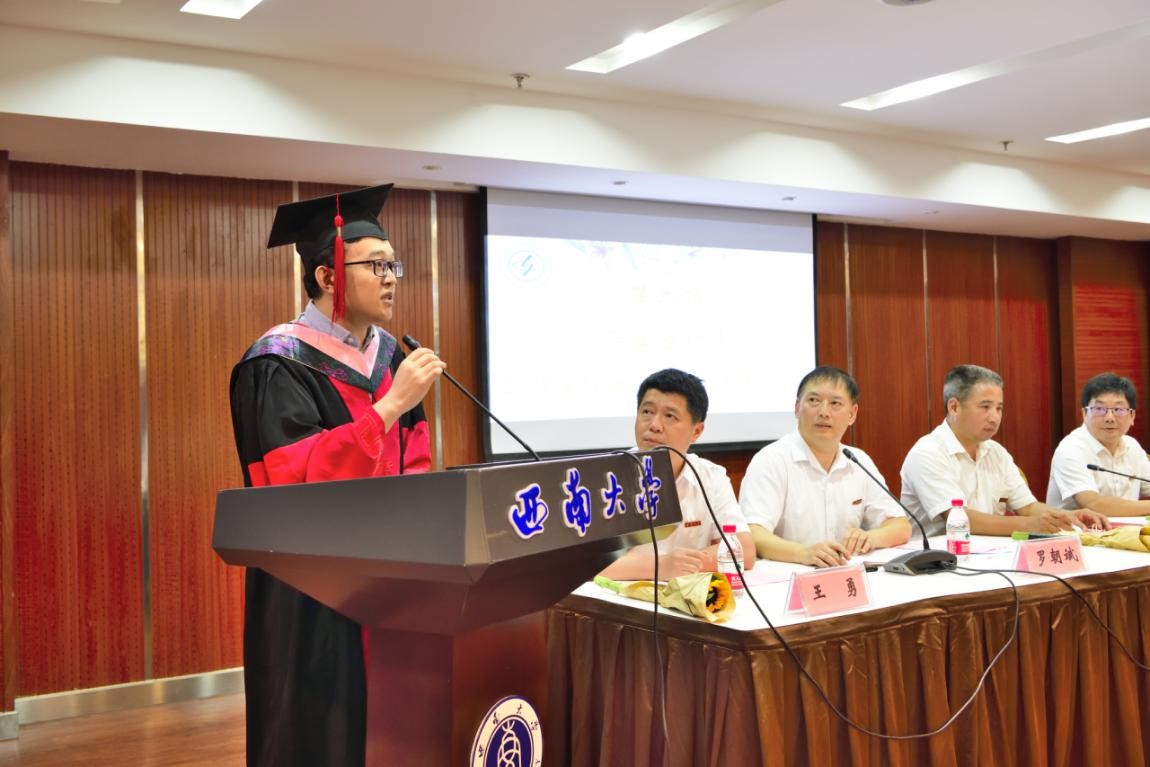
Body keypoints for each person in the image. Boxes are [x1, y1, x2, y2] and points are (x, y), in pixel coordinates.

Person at [229, 184, 446, 767]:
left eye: (393, 265)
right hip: (312, 590)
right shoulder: (275, 362)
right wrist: (388, 408)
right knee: (319, 734)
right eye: (376, 265)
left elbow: (416, 461)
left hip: (389, 579)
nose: (391, 278)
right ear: (328, 277)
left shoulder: (391, 358)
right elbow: (291, 480)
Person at [901, 364, 1109, 537]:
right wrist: (1028, 525)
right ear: (954, 407)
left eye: (999, 408)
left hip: (990, 555)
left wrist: (1067, 517)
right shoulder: (928, 453)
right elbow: (962, 519)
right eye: (985, 407)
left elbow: (1028, 507)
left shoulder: (996, 452)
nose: (994, 417)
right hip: (936, 562)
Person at [738, 366, 911, 568]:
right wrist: (803, 553)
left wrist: (871, 537)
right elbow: (753, 533)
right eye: (814, 400)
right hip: (788, 577)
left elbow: (901, 526)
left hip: (847, 574)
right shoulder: (771, 460)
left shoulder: (858, 461)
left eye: (835, 403)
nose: (824, 412)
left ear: (852, 414)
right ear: (797, 407)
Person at [599, 369, 755, 580]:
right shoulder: (606, 477)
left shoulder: (711, 477)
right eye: (647, 412)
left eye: (669, 416)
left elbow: (744, 550)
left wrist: (683, 564)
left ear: (696, 431)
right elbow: (584, 563)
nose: (654, 425)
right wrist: (661, 567)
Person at [1047, 372, 1150, 515]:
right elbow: (1094, 504)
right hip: (1079, 529)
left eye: (1118, 410)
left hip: (1126, 528)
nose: (1109, 418)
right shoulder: (1071, 449)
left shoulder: (1132, 446)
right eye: (1099, 409)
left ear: (1132, 416)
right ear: (1084, 414)